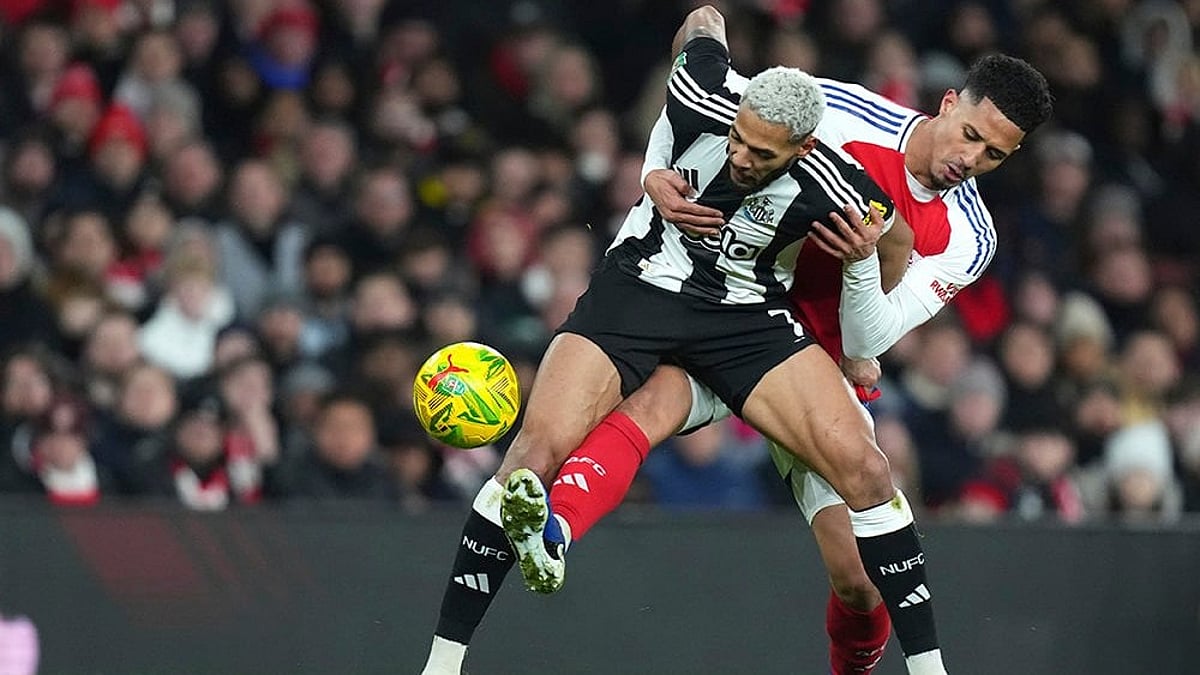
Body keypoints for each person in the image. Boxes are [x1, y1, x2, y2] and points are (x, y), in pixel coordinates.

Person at [423, 6, 950, 674]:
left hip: (744, 319)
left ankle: (929, 668)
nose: (739, 155)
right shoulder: (702, 89)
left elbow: (896, 237)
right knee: (533, 450)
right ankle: (441, 665)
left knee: (871, 471)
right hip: (636, 291)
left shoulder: (833, 183)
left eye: (762, 154)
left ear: (803, 150)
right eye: (738, 138)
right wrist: (652, 171)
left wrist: (859, 281)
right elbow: (703, 16)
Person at [536, 47, 1051, 675]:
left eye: (992, 154)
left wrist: (863, 265)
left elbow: (868, 343)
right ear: (948, 104)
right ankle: (551, 531)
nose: (969, 160)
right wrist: (654, 171)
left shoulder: (972, 236)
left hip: (819, 368)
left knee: (861, 582)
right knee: (649, 410)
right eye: (969, 135)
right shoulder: (839, 109)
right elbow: (701, 100)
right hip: (733, 312)